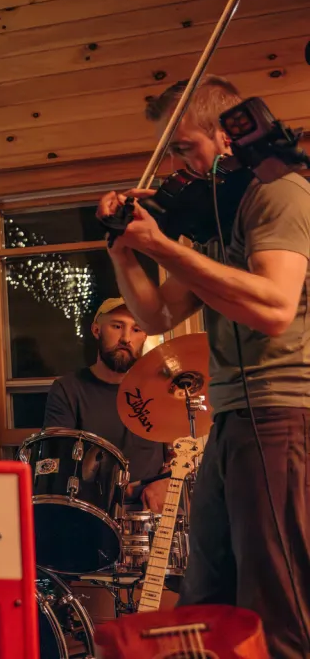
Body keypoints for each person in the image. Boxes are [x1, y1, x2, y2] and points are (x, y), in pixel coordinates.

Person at [97, 76, 310, 659]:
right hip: (236, 417)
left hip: (283, 410)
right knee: (207, 594)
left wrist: (166, 246)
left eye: (185, 147)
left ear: (225, 134)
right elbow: (159, 312)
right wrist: (125, 251)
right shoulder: (215, 216)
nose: (177, 166)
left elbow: (273, 306)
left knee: (276, 600)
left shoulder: (279, 192)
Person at [43, 298, 170, 512]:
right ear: (96, 330)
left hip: (149, 517)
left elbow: (180, 454)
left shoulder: (160, 389)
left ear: (144, 337)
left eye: (136, 329)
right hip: (91, 515)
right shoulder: (68, 389)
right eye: (117, 326)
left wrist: (167, 481)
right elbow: (58, 463)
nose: (126, 338)